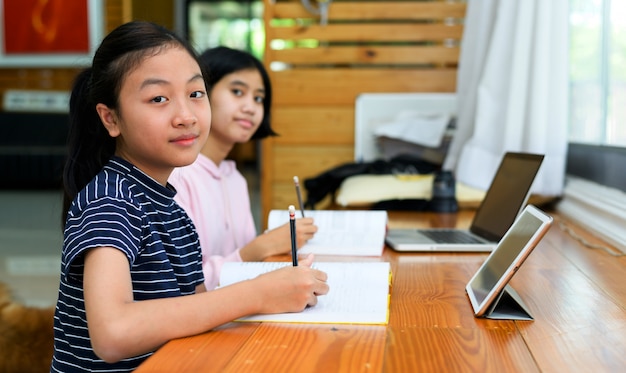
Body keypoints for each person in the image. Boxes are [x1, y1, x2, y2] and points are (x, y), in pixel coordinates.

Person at [51, 21, 328, 372]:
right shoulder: (111, 202)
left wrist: (276, 294)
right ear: (111, 118)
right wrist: (256, 293)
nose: (185, 116)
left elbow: (197, 313)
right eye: (159, 99)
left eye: (196, 94)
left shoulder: (172, 209)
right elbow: (113, 334)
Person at [169, 46, 318, 290]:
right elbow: (182, 283)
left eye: (258, 98)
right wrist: (260, 248)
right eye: (237, 92)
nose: (251, 106)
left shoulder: (234, 178)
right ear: (199, 94)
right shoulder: (177, 177)